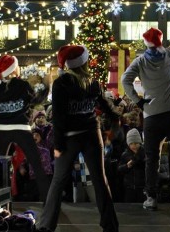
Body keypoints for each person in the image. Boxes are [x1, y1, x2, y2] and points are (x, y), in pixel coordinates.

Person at [37, 45, 120, 232]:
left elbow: (58, 117)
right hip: (92, 134)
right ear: (84, 62)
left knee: (58, 182)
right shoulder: (93, 82)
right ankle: (110, 225)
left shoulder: (62, 83)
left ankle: (46, 226)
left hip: (69, 138)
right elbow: (107, 107)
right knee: (100, 180)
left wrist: (57, 144)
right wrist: (113, 124)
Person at [121, 16, 170, 210]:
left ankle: (151, 197)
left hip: (151, 116)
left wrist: (138, 100)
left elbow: (125, 80)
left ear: (146, 43)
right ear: (161, 40)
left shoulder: (140, 62)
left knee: (152, 157)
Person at [0, 55, 51, 201]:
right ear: (13, 69)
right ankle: (48, 201)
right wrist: (46, 87)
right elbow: (36, 101)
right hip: (21, 128)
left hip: (2, 131)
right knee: (36, 164)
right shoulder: (22, 85)